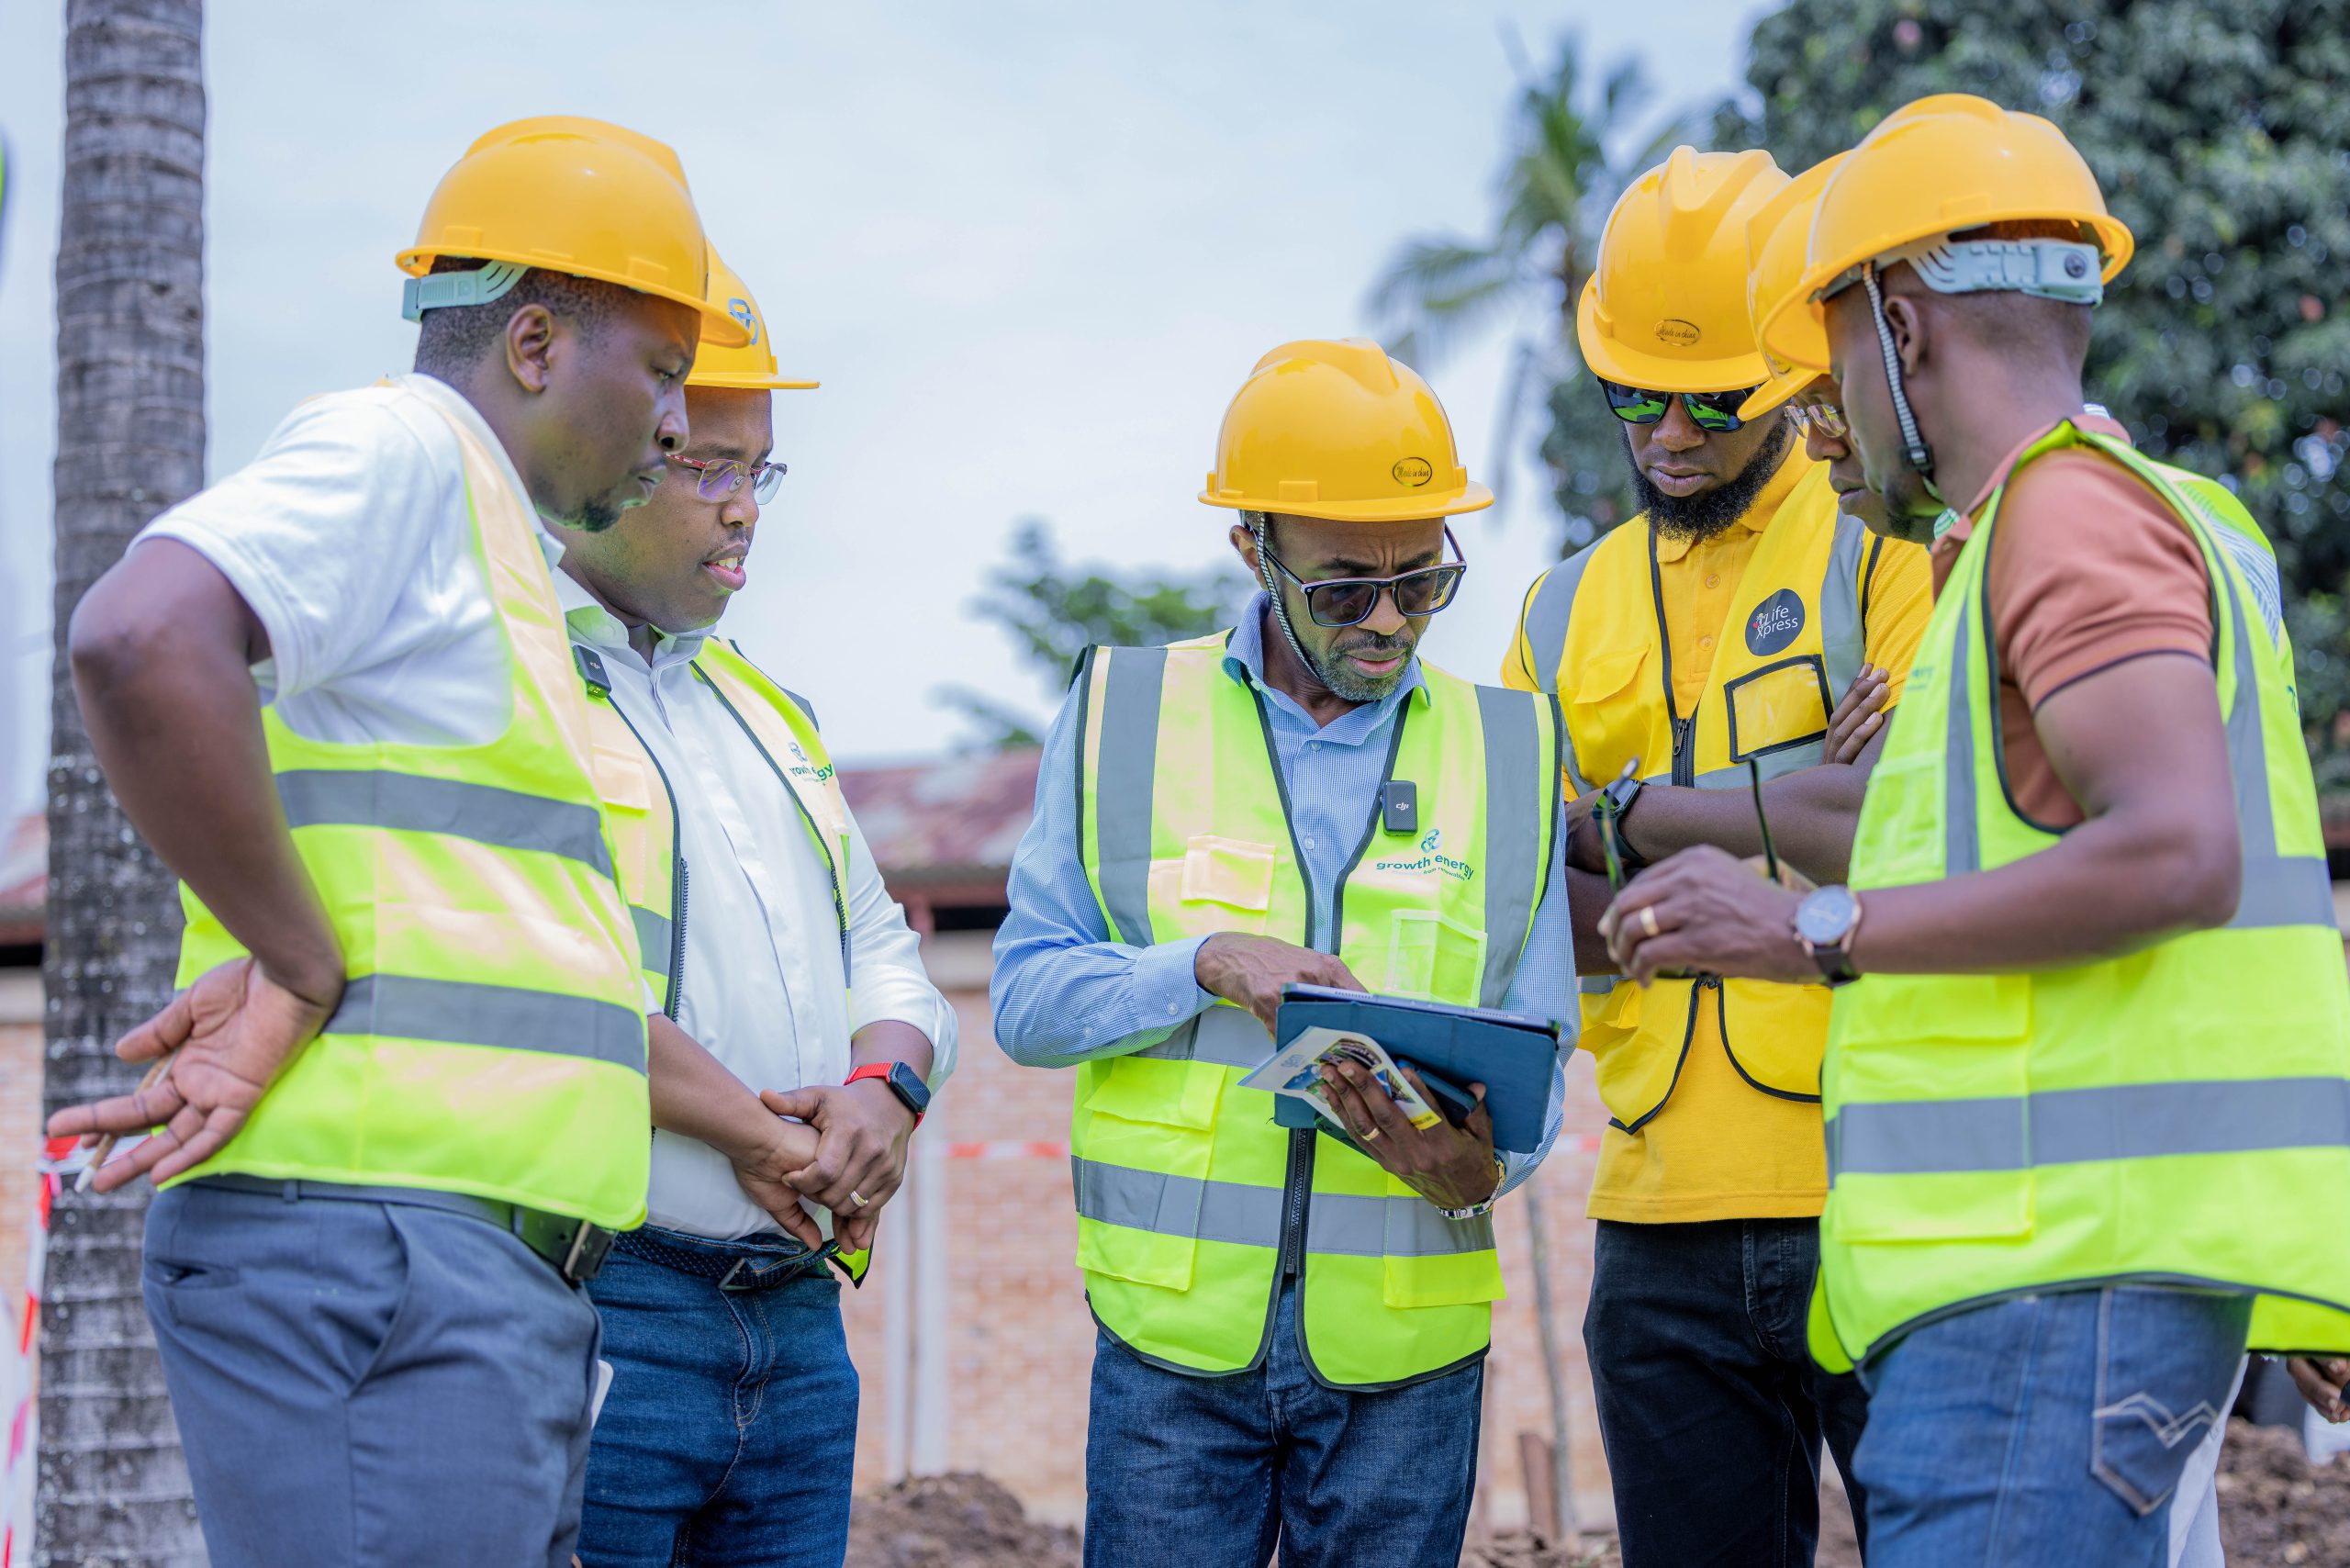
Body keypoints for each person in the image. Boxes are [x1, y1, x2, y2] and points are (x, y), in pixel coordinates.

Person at [1603, 94, 2350, 1568]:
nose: (1824, 421)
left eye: (1822, 378)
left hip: (2044, 1315)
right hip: (2054, 1299)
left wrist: (1806, 924)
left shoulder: (2064, 516)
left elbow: (2179, 857)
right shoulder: (2071, 529)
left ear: (1900, 321)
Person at [44, 117, 745, 1568]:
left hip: (464, 1265)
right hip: (383, 1254)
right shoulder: (404, 447)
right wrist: (293, 960)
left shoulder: (485, 551)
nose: (682, 425)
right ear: (537, 344)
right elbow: (137, 635)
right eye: (665, 374)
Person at [991, 338, 1578, 1568]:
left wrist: (1485, 1168)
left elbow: (1540, 1047)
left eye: (1424, 584)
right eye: (1345, 588)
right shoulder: (1121, 714)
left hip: (1407, 1362)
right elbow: (1028, 1001)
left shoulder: (1513, 749)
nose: (1390, 622)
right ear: (1252, 551)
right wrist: (1201, 962)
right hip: (1173, 1357)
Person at [1500, 145, 1934, 1567]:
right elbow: (1519, 897)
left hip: (1879, 1190)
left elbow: (1908, 829)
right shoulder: (1561, 614)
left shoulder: (1887, 546)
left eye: (1713, 397)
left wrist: (1617, 818)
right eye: (1636, 393)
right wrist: (1792, 793)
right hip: (1653, 1224)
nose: (1669, 432)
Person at [562, 251, 957, 1567]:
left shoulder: (766, 711)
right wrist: (779, 1141)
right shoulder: (522, 690)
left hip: (796, 1322)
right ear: (620, 441)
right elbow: (556, 985)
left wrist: (883, 1098)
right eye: (708, 466)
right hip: (611, 1299)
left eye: (760, 472)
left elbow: (885, 953)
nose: (744, 511)